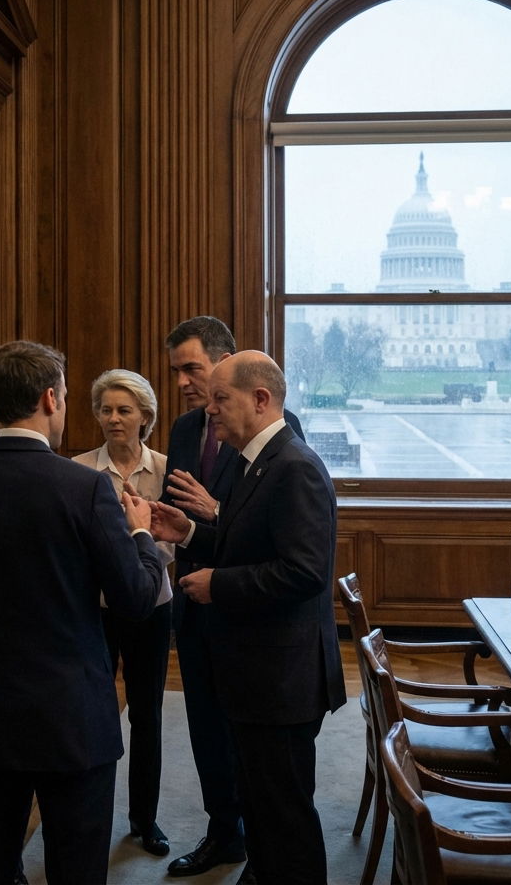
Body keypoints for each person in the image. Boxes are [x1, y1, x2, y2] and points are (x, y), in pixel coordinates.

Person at [0, 340, 165, 885]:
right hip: (73, 718)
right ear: (51, 399)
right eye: (69, 396)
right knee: (76, 867)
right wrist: (142, 534)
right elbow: (136, 600)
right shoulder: (86, 488)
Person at [151, 351, 346, 884]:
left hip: (282, 681)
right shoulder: (253, 460)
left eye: (221, 398)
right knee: (262, 809)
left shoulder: (295, 467)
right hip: (256, 672)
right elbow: (245, 541)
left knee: (285, 818)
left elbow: (304, 574)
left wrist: (219, 583)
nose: (209, 410)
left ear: (261, 400)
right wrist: (189, 534)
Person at [73, 369, 175, 858]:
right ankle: (91, 815)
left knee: (148, 715)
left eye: (124, 410)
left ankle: (144, 818)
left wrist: (139, 547)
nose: (113, 419)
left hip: (153, 606)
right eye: (106, 409)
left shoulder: (167, 471)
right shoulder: (78, 471)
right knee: (94, 711)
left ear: (145, 417)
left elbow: (175, 542)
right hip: (96, 608)